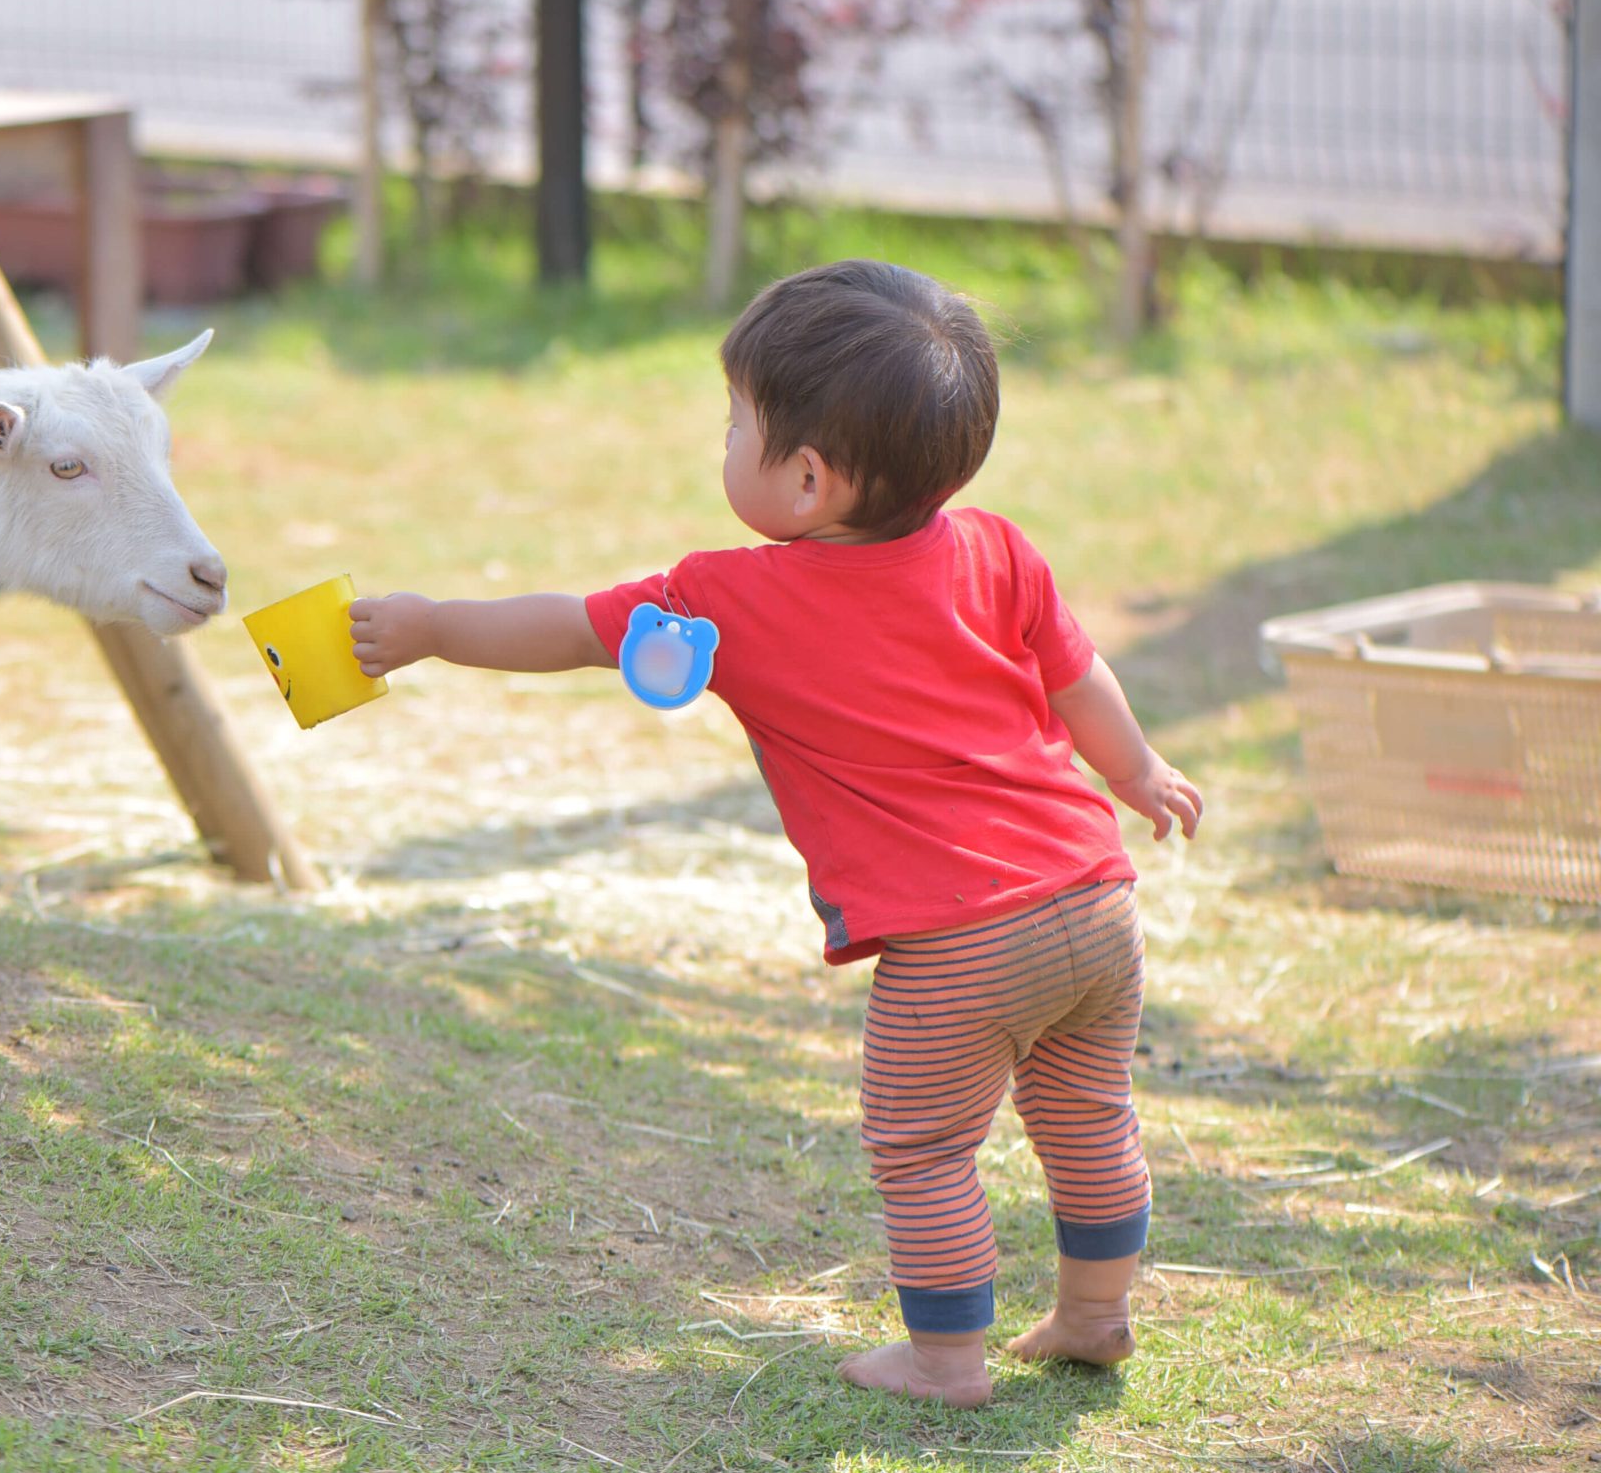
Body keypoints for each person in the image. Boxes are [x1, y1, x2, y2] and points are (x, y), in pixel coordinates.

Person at [348, 259, 1203, 1408]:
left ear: (804, 479)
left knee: (922, 1148)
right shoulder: (997, 549)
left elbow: (571, 628)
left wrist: (432, 627)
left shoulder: (731, 598)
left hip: (955, 946)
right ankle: (1095, 1316)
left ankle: (947, 1361)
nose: (723, 440)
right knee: (1087, 1109)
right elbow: (1077, 675)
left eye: (734, 422)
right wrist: (1138, 769)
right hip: (1094, 899)